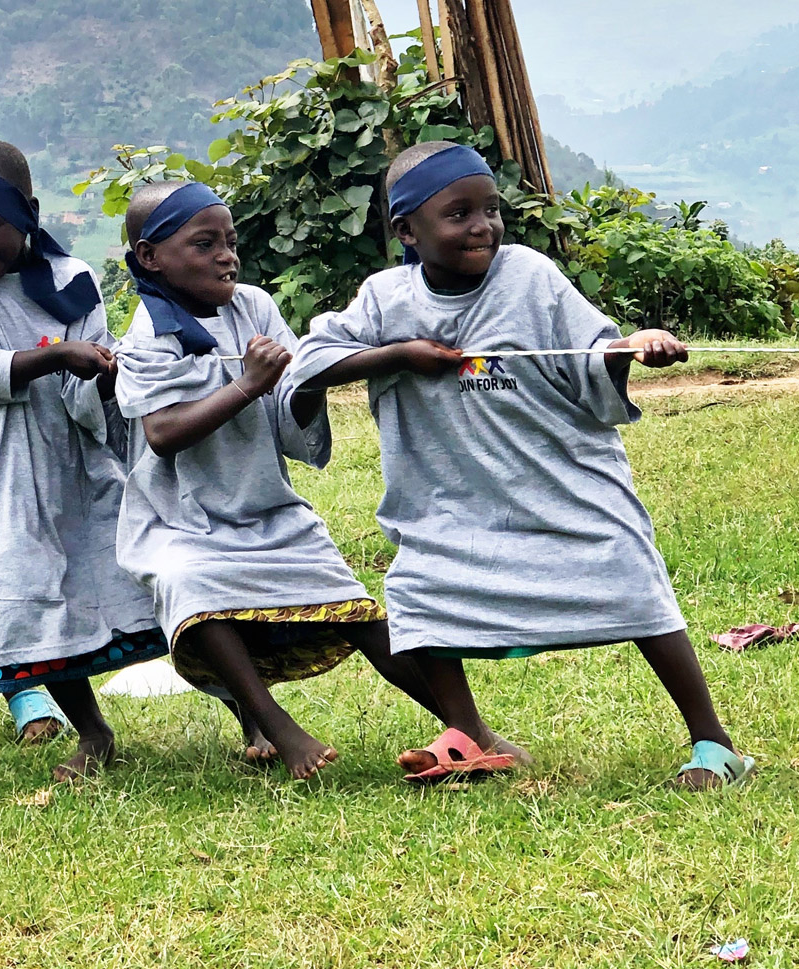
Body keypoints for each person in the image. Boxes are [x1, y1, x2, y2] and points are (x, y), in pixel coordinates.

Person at [299, 141, 752, 790]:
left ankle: (714, 742)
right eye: (458, 214)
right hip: (451, 503)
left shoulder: (529, 276)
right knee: (419, 592)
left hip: (560, 486)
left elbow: (595, 348)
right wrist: (395, 355)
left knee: (632, 582)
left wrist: (633, 348)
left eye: (490, 209)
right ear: (407, 230)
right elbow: (312, 361)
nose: (482, 225)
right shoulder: (383, 300)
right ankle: (468, 735)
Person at [112, 180, 480, 780]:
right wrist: (246, 384)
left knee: (359, 612)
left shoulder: (254, 306)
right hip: (180, 517)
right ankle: (273, 723)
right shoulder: (147, 338)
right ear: (151, 257)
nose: (226, 256)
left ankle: (471, 732)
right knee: (194, 586)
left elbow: (290, 407)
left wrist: (309, 380)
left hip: (267, 507)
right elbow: (162, 433)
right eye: (204, 245)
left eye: (229, 243)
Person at [0, 139, 163, 780]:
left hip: (77, 449)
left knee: (135, 567)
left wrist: (104, 377)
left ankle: (244, 711)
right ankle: (92, 732)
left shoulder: (73, 281)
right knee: (28, 582)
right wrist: (58, 357)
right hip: (3, 453)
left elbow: (94, 379)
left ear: (27, 211)